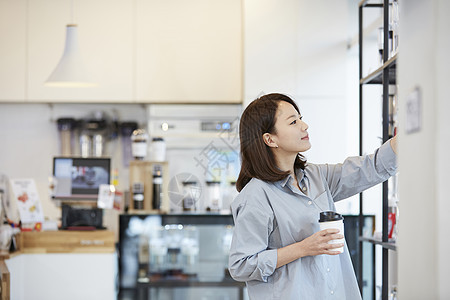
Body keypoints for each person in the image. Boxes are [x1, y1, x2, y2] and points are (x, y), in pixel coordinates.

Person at [228, 93, 397, 300]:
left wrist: (408, 132)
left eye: (300, 118)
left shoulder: (317, 176)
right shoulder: (256, 195)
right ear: (270, 139)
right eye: (293, 122)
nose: (304, 125)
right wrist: (302, 248)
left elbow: (370, 168)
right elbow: (241, 265)